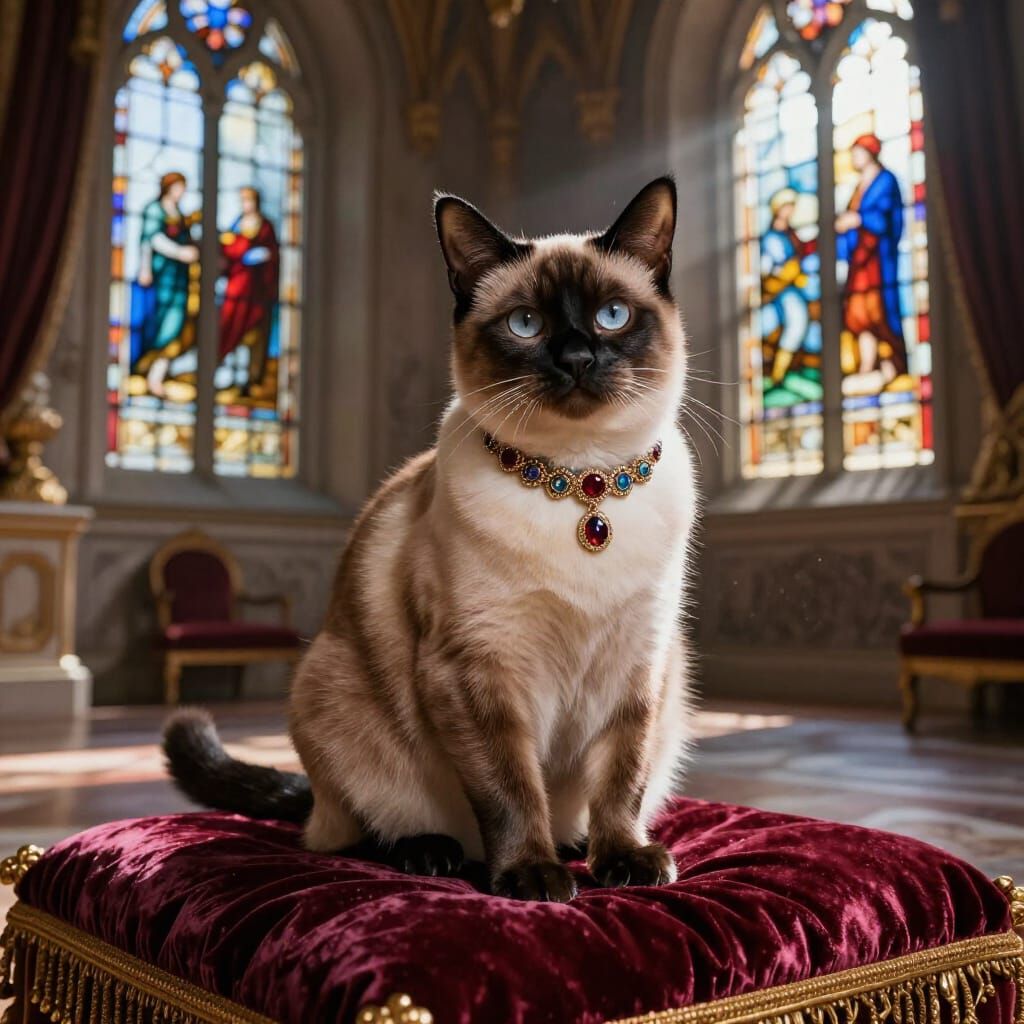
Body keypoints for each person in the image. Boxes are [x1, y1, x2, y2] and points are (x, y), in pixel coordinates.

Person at [835, 133, 908, 383]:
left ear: (870, 153)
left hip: (878, 260)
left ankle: (890, 365)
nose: (854, 158)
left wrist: (859, 220)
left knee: (880, 312)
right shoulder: (858, 186)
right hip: (859, 261)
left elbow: (887, 219)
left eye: (858, 153)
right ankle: (867, 365)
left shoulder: (885, 180)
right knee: (858, 313)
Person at [130, 172, 201, 398]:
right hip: (160, 278)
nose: (181, 192)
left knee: (175, 326)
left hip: (180, 280)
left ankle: (157, 376)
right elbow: (151, 240)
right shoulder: (154, 209)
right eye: (179, 186)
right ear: (168, 187)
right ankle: (148, 374)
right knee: (158, 324)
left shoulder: (179, 215)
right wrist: (178, 253)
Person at [218, 186, 280, 397]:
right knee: (230, 328)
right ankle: (229, 376)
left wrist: (261, 255)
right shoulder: (236, 224)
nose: (246, 205)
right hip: (236, 285)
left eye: (249, 200)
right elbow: (226, 251)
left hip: (256, 289)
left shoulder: (265, 226)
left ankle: (248, 379)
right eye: (243, 200)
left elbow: (272, 254)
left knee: (252, 332)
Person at [761, 188, 817, 386]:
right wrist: (787, 270)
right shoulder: (771, 237)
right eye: (787, 206)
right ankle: (777, 374)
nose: (790, 210)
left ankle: (784, 371)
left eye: (792, 206)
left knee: (803, 324)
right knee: (795, 322)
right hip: (782, 290)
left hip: (794, 287)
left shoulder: (791, 234)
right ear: (778, 209)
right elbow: (768, 268)